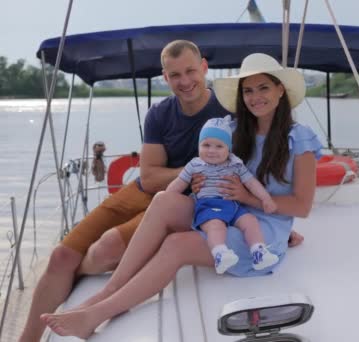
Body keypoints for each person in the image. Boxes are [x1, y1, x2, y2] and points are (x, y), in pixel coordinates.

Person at [41, 52, 322, 339]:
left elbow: (302, 206)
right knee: (164, 200)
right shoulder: (234, 129)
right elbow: (208, 165)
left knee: (176, 245)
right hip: (226, 212)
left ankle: (97, 314)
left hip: (259, 234)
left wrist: (248, 199)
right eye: (248, 90)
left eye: (264, 88)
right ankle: (110, 290)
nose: (255, 97)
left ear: (280, 91)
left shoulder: (298, 138)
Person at [18, 39, 234, 342]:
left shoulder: (229, 112)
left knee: (107, 247)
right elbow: (148, 175)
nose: (185, 81)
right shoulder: (160, 114)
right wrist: (192, 171)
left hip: (180, 202)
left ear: (204, 68)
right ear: (165, 77)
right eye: (175, 75)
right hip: (143, 190)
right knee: (59, 258)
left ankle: (75, 280)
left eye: (190, 71)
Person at [167, 115, 279, 274]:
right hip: (209, 206)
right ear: (198, 146)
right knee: (215, 226)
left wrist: (266, 198)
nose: (212, 151)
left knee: (250, 221)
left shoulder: (236, 164)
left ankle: (258, 252)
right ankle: (219, 253)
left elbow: (251, 183)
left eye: (219, 146)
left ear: (229, 148)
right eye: (206, 145)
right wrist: (167, 197)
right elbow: (178, 184)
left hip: (233, 206)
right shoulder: (195, 165)